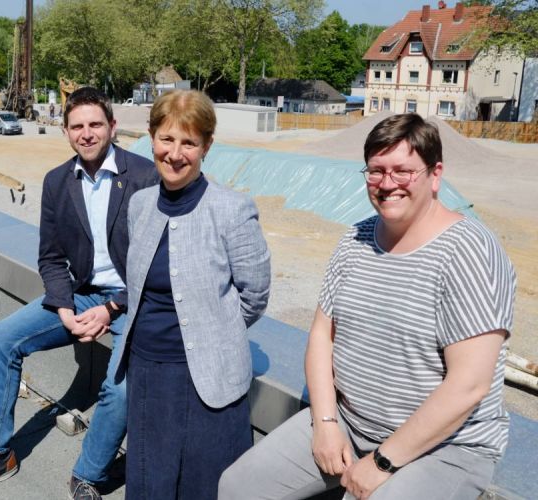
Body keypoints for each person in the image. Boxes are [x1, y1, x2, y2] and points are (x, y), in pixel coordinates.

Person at [219, 113, 516, 500]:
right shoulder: (355, 239)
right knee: (238, 486)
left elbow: (468, 386)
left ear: (435, 173)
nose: (387, 184)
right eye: (376, 171)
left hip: (445, 448)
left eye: (402, 171)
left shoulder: (469, 252)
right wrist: (326, 423)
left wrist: (382, 462)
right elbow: (322, 337)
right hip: (349, 422)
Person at [0, 87, 158, 500]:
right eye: (77, 126)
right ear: (64, 131)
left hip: (133, 300)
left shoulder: (145, 177)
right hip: (81, 295)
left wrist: (113, 307)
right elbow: (50, 259)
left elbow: (156, 262)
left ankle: (88, 475)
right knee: (2, 338)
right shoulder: (57, 182)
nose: (87, 133)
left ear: (112, 127)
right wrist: (63, 307)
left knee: (120, 388)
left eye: (95, 124)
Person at [110, 89, 271, 499]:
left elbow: (254, 295)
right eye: (166, 139)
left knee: (205, 486)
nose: (175, 153)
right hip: (149, 372)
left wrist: (210, 328)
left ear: (206, 147)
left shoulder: (232, 210)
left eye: (189, 142)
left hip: (208, 377)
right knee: (150, 483)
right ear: (151, 139)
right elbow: (138, 282)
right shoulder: (141, 204)